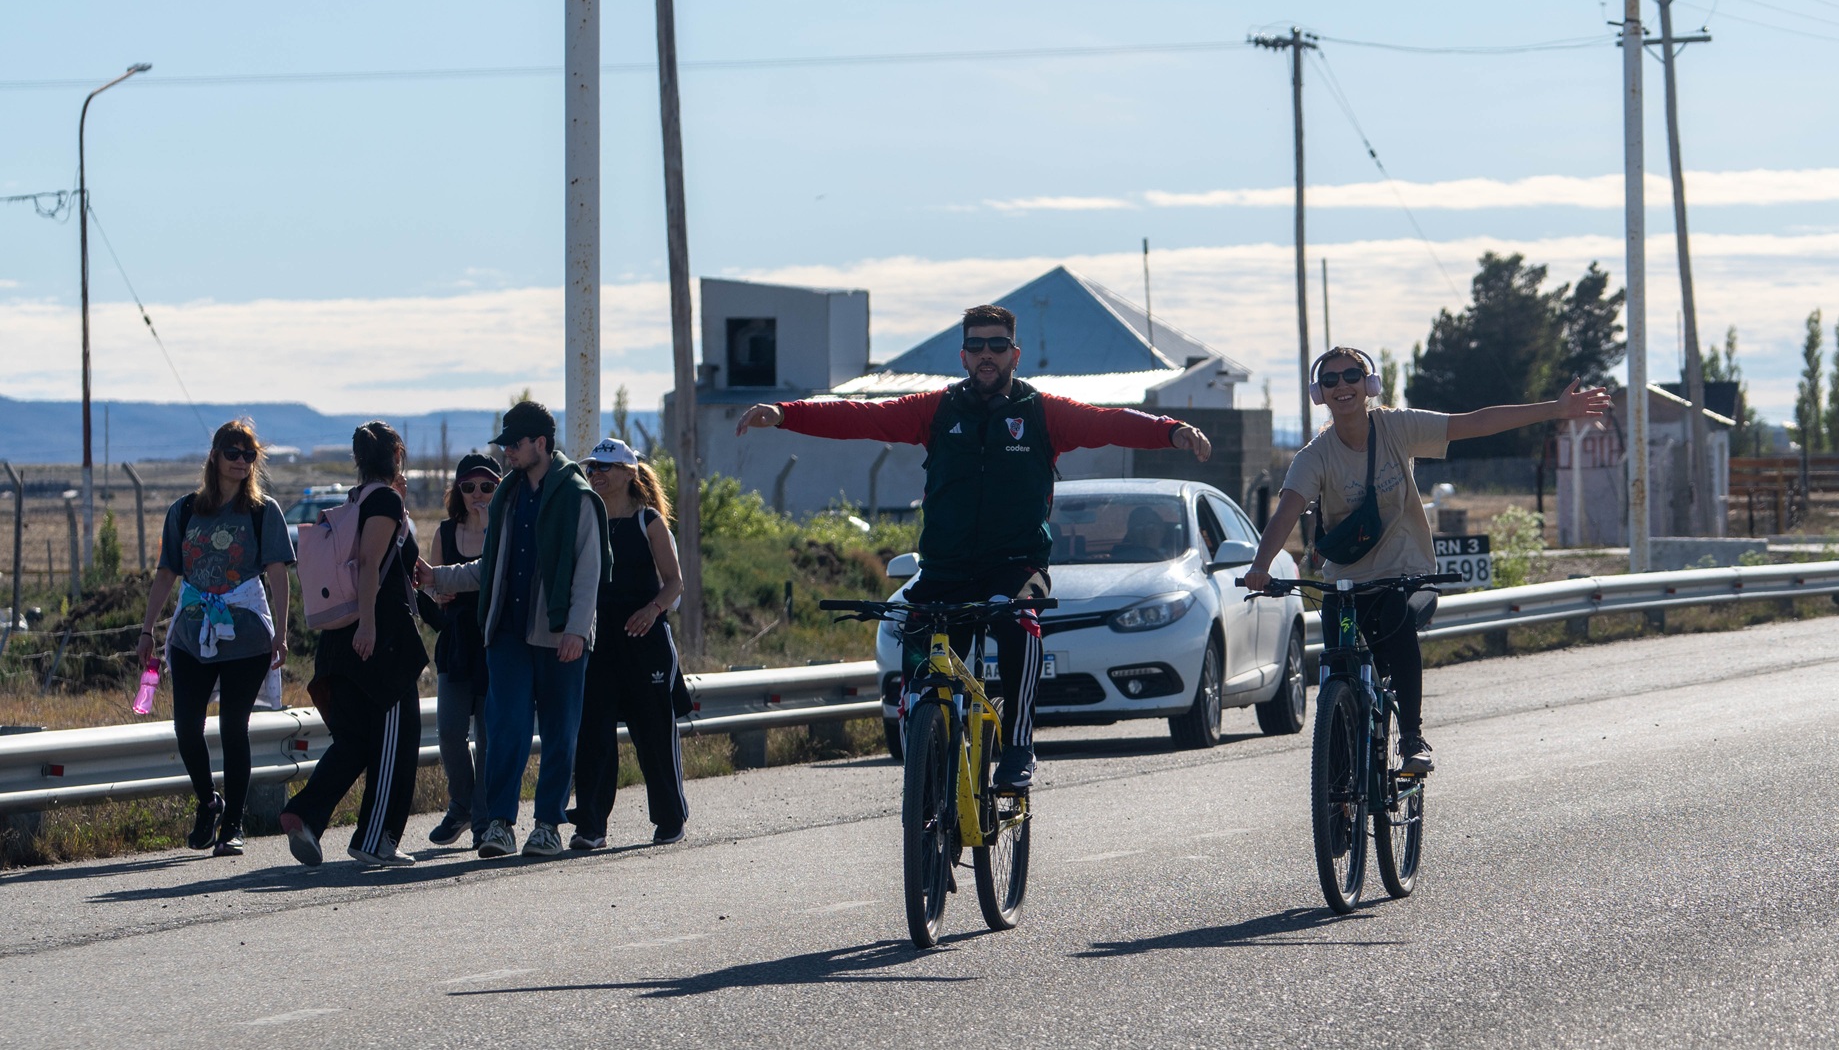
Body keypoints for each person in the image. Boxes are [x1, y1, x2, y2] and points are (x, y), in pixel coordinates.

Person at [736, 302, 1212, 789]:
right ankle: (930, 752)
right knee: (919, 643)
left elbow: (1109, 422)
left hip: (1016, 565)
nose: (987, 355)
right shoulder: (936, 411)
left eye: (997, 346)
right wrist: (784, 414)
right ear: (963, 356)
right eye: (977, 346)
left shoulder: (1043, 413)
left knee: (1020, 621)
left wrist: (1170, 431)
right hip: (945, 567)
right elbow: (862, 417)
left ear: (1015, 354)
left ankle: (1019, 746)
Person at [1243, 347, 1609, 774]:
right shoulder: (1314, 456)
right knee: (1338, 667)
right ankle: (1339, 783)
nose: (1342, 386)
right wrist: (1260, 566)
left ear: (1369, 385)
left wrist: (1556, 409)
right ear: (1318, 393)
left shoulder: (1398, 427)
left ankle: (1413, 738)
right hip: (1346, 581)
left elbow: (1476, 422)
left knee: (1397, 630)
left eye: (1351, 376)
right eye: (1330, 380)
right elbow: (1287, 510)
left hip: (1405, 570)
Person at [424, 400, 609, 859]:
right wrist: (437, 577)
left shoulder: (578, 496)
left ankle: (547, 825)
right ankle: (500, 826)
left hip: (558, 636)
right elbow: (492, 568)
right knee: (504, 728)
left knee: (560, 731)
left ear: (540, 444)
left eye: (514, 444)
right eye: (505, 444)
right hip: (506, 633)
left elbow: (589, 570)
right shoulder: (507, 495)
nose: (507, 452)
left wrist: (576, 630)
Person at [137, 420, 295, 856]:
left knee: (232, 728)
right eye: (233, 453)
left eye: (249, 455)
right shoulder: (185, 511)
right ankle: (209, 802)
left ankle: (232, 825)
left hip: (245, 636)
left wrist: (280, 633)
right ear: (215, 456)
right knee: (186, 726)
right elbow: (167, 571)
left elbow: (279, 574)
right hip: (191, 633)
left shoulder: (264, 512)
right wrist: (148, 630)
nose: (241, 462)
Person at [278, 423, 428, 867]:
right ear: (397, 452)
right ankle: (376, 838)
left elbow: (383, 560)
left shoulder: (356, 499)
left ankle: (304, 814)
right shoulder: (383, 501)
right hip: (380, 642)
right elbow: (367, 563)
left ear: (358, 459)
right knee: (399, 741)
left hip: (341, 639)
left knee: (358, 740)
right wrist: (368, 625)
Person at [569, 437, 689, 849]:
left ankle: (670, 819)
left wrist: (652, 610)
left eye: (606, 467)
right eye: (592, 468)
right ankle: (591, 826)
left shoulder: (648, 520)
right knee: (593, 734)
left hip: (645, 641)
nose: (596, 474)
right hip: (598, 642)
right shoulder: (586, 517)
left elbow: (674, 582)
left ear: (629, 473)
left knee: (653, 732)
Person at [423, 452, 501, 845]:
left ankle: (485, 820)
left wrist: (491, 525)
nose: (478, 494)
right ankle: (462, 805)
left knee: (488, 736)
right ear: (457, 491)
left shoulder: (505, 531)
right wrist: (437, 595)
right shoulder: (445, 532)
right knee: (450, 732)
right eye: (468, 487)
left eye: (488, 486)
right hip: (457, 643)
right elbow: (434, 584)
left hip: (495, 642)